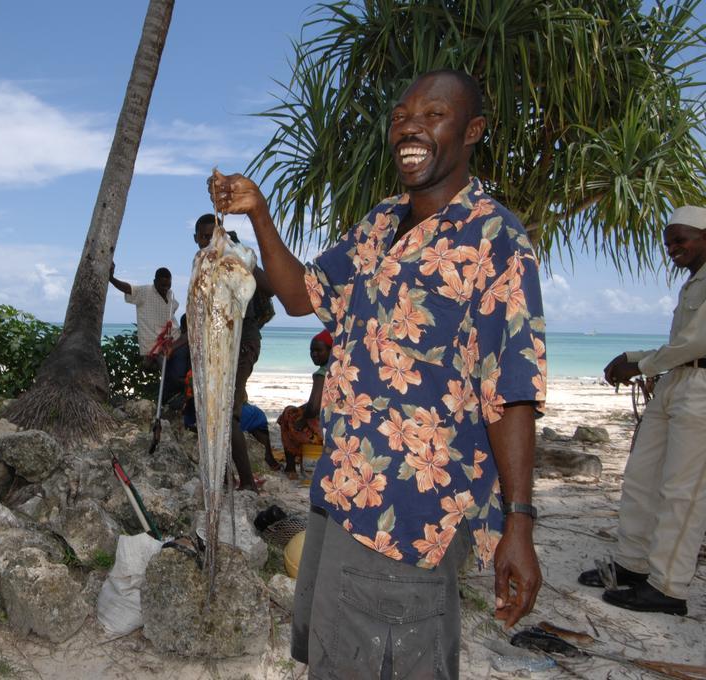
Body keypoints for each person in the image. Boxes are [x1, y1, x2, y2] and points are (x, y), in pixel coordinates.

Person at [210, 69, 546, 679]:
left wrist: (519, 525)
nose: (409, 127)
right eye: (400, 116)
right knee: (337, 659)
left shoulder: (497, 239)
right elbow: (299, 293)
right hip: (341, 489)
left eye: (432, 115)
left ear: (472, 132)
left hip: (411, 512)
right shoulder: (382, 223)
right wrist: (258, 211)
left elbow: (511, 391)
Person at [577, 205, 706, 617]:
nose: (672, 248)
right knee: (641, 476)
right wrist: (633, 356)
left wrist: (642, 364)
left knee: (683, 492)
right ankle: (633, 565)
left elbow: (696, 343)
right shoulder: (693, 283)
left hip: (700, 388)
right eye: (669, 241)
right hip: (678, 383)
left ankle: (668, 588)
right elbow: (683, 345)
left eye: (681, 239)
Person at [193, 215, 274, 492]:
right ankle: (223, 477)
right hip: (218, 348)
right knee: (212, 411)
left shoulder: (235, 259)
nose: (208, 242)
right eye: (203, 237)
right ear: (196, 240)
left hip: (242, 345)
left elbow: (269, 287)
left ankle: (248, 483)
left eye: (212, 237)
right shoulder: (201, 267)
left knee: (229, 415)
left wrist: (242, 254)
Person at [277, 330, 333, 479]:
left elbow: (314, 407)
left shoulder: (322, 373)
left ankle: (290, 468)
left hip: (320, 434)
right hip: (335, 428)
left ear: (331, 350)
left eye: (318, 350)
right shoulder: (339, 370)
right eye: (311, 351)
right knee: (296, 411)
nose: (314, 354)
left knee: (287, 414)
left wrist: (302, 420)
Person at [108, 263, 181, 366]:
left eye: (168, 285)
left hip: (175, 341)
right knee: (171, 373)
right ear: (155, 282)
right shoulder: (145, 292)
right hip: (155, 348)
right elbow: (128, 288)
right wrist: (111, 278)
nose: (166, 288)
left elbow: (172, 312)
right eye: (162, 285)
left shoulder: (171, 294)